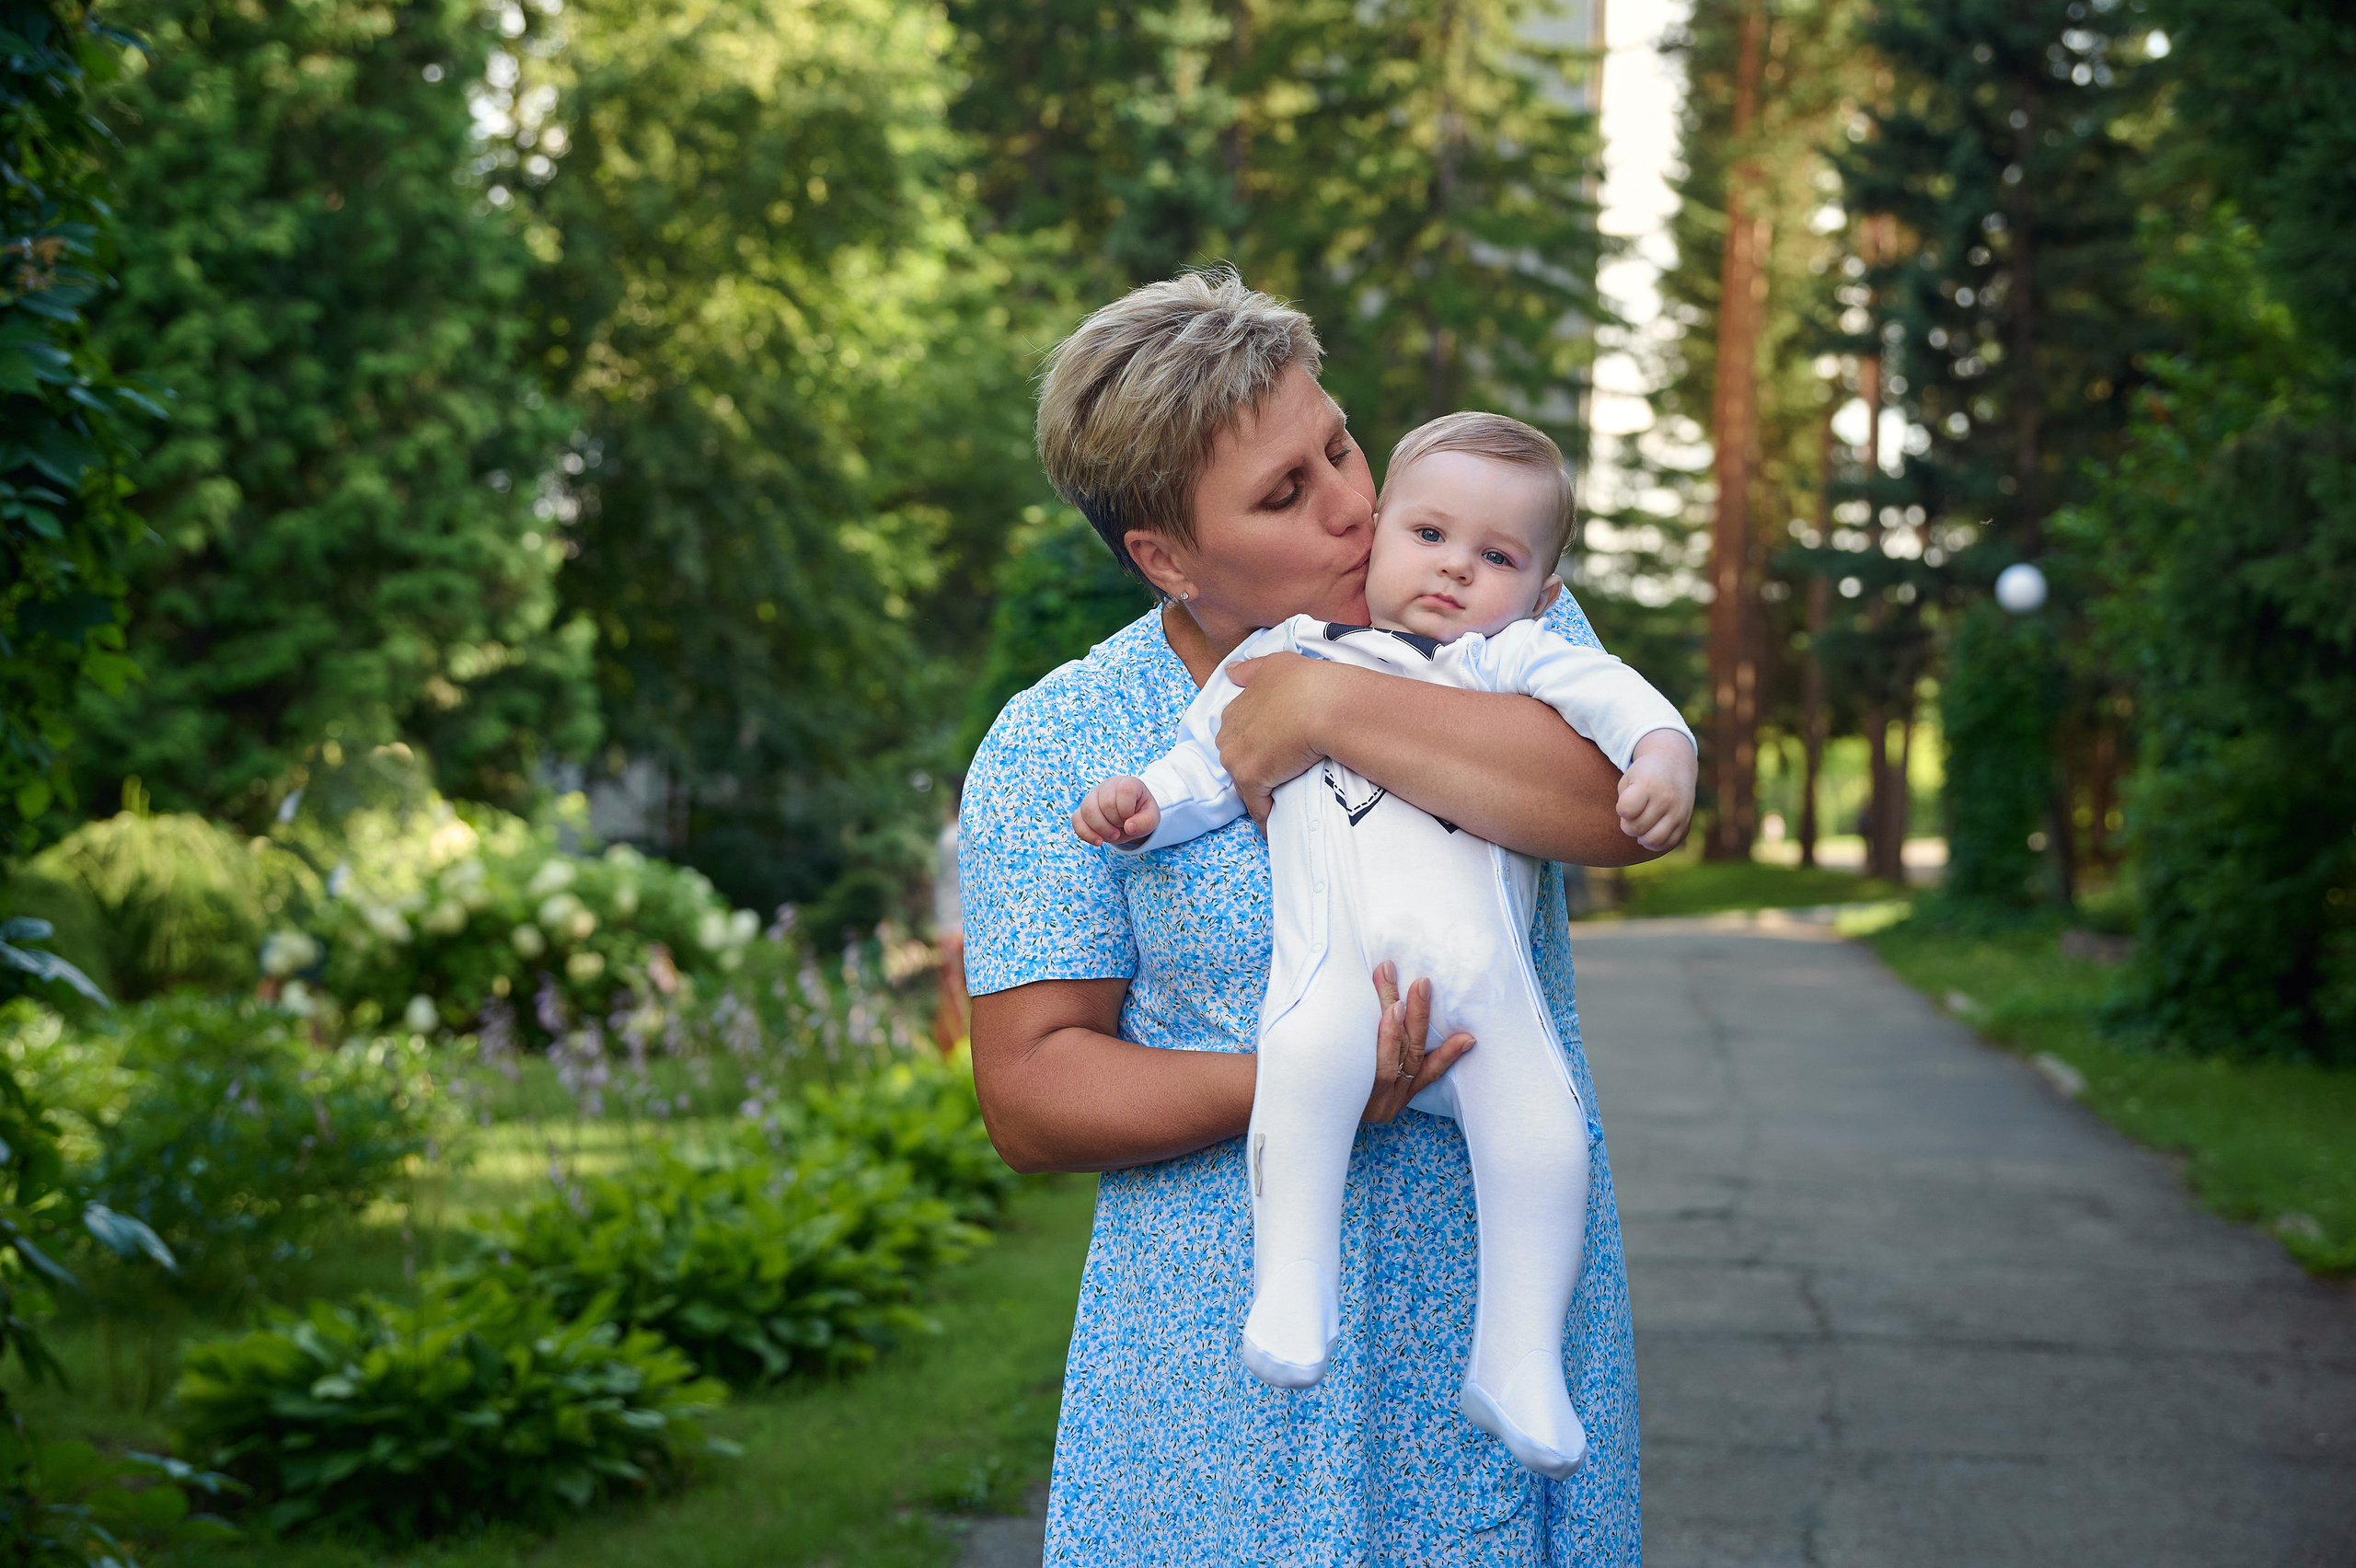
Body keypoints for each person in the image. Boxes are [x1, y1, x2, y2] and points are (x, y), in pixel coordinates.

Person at [962, 270, 1664, 1566]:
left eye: (1338, 444)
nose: (1357, 505)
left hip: (1487, 1318)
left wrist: (1328, 708)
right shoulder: (1062, 741)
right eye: (1287, 494)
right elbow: (1032, 1093)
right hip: (1212, 1374)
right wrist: (1317, 1079)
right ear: (1164, 556)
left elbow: (1620, 807)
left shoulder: (1493, 606)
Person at [1068, 412, 1694, 1482]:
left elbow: (1624, 711)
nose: (1455, 570)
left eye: (1494, 559)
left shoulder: (1516, 659)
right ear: (1391, 531)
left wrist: (1664, 755)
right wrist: (1143, 804)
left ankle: (1517, 1359)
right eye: (1429, 537)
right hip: (1344, 981)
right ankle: (1293, 1282)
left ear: (1541, 590)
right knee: (1307, 1063)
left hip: (1487, 1005)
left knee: (1547, 1142)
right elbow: (1205, 766)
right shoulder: (1283, 652)